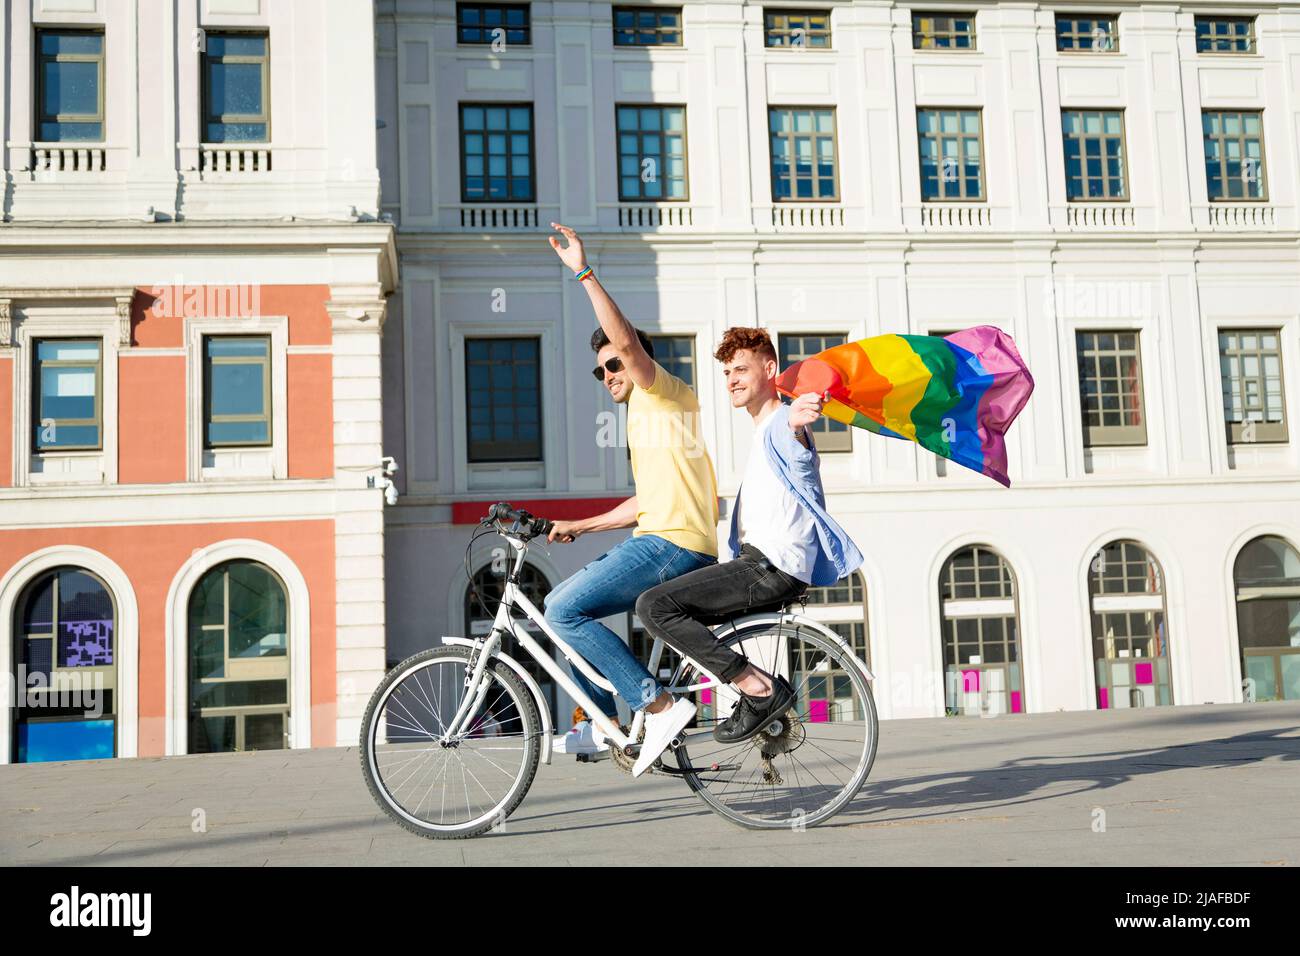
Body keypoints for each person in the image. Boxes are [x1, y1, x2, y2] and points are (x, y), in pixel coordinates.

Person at [633, 326, 864, 774]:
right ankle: (753, 693)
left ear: (770, 369)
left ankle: (758, 690)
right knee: (676, 609)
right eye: (726, 372)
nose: (732, 379)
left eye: (741, 368)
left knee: (654, 606)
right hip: (758, 562)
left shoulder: (780, 423)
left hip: (770, 566)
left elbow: (795, 439)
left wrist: (799, 417)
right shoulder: (761, 432)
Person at [541, 222, 719, 771]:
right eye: (599, 372)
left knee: (560, 608)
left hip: (672, 545)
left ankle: (656, 705)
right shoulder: (644, 419)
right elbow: (646, 502)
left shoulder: (660, 390)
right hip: (664, 536)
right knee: (570, 611)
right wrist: (583, 525)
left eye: (612, 363)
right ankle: (605, 727)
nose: (607, 373)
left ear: (635, 358)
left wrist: (583, 272)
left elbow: (624, 341)